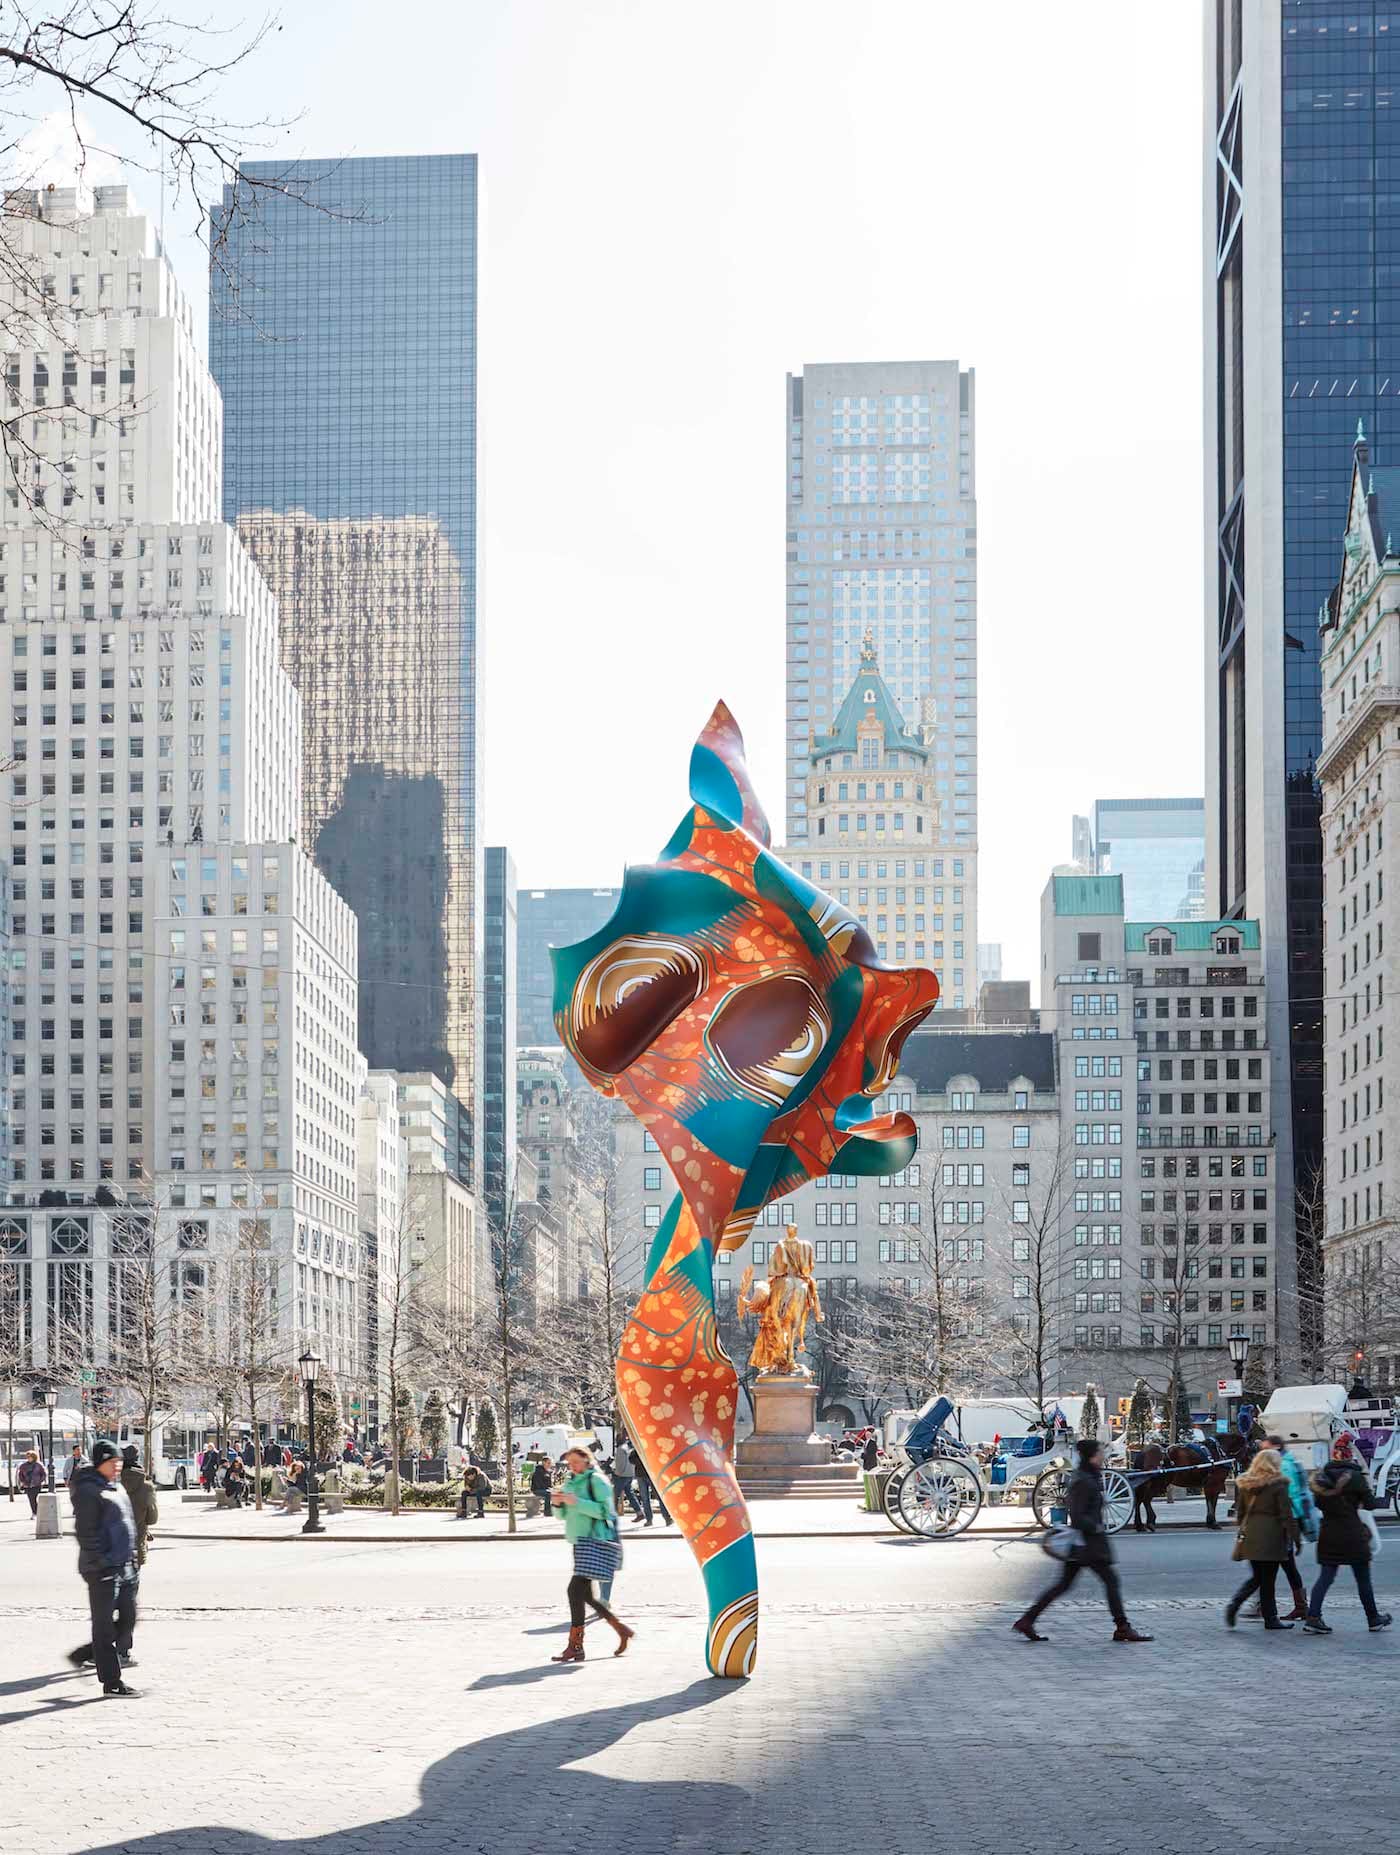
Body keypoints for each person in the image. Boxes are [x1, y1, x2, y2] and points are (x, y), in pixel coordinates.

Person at [1013, 1439, 1154, 1644]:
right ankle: (1122, 1627)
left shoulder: (1088, 1476)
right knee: (1110, 1582)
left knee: (1063, 1585)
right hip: (1089, 1545)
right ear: (1091, 1456)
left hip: (1082, 1546)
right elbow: (1078, 1515)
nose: (1102, 1456)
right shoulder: (1083, 1480)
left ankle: (1027, 1620)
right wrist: (1095, 1528)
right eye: (1099, 1453)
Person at [67, 1439, 140, 1697]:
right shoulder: (88, 1490)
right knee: (104, 1626)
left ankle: (83, 1654)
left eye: (119, 1461)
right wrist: (102, 1561)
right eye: (113, 1462)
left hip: (125, 1565)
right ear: (101, 1463)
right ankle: (111, 1683)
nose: (117, 1466)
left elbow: (126, 1523)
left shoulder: (115, 1486)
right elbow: (85, 1533)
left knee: (129, 1619)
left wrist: (131, 1557)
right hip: (101, 1568)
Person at [550, 1444, 634, 1663]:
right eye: (570, 1463)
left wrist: (576, 1502)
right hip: (579, 1543)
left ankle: (575, 1647)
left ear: (587, 1461)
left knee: (573, 1590)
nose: (573, 1467)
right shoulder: (570, 1482)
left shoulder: (596, 1480)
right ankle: (621, 1630)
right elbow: (562, 1515)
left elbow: (606, 1511)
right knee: (585, 1595)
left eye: (577, 1462)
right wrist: (558, 1504)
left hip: (594, 1542)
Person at [1304, 1435, 1393, 1635]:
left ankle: (1313, 1617)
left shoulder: (1321, 1478)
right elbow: (1370, 1504)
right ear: (1349, 1455)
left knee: (1325, 1577)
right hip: (1353, 1533)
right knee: (1363, 1578)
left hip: (1328, 1534)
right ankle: (1373, 1618)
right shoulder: (1355, 1476)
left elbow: (1317, 1503)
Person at [1238, 1436, 1313, 1622]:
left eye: (1266, 1448)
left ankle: (1265, 1607)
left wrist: (1292, 1529)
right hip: (1284, 1522)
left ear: (1276, 1448)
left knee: (1269, 1571)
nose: (1262, 1452)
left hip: (1283, 1524)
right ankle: (1293, 1607)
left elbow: (1289, 1497)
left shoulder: (1283, 1467)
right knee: (1281, 1568)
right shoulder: (1288, 1462)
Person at [1225, 1447, 1300, 1629]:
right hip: (1271, 1535)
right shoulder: (1279, 1484)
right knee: (1268, 1579)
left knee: (1258, 1576)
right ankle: (1271, 1618)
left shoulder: (1246, 1484)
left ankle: (1235, 1604)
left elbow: (1241, 1513)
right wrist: (1296, 1537)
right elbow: (1286, 1515)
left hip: (1251, 1534)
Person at [119, 1446, 159, 1570]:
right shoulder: (146, 1486)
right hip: (137, 1544)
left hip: (114, 1546)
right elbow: (152, 1519)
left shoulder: (112, 1482)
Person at [610, 1436, 644, 1523]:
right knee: (630, 1494)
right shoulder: (629, 1448)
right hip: (630, 1474)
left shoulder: (620, 1449)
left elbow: (620, 1464)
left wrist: (617, 1473)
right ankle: (640, 1513)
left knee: (615, 1494)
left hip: (622, 1475)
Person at [17, 1448, 45, 1516]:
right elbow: (20, 1475)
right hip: (27, 1485)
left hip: (36, 1485)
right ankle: (35, 1512)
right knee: (31, 1499)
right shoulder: (23, 1466)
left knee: (34, 1498)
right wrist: (23, 1482)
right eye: (27, 1457)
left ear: (34, 1457)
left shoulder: (38, 1465)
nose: (28, 1458)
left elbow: (43, 1474)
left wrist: (40, 1481)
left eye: (30, 1457)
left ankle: (36, 1512)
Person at [62, 1443, 85, 1508]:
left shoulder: (85, 1460)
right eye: (78, 1450)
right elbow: (65, 1470)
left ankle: (80, 1508)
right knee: (72, 1495)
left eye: (80, 1450)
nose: (79, 1451)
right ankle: (75, 1507)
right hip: (72, 1481)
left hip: (81, 1481)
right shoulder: (69, 1460)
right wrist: (65, 1480)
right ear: (74, 1451)